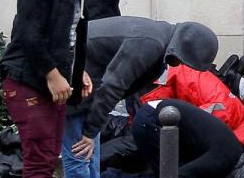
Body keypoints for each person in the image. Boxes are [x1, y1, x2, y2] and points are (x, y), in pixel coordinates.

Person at [0, 0, 112, 178]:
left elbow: (63, 39)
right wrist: (53, 75)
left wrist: (75, 70)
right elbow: (28, 35)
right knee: (39, 161)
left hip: (47, 84)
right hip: (29, 83)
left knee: (48, 157)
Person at [63, 17, 218, 178]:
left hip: (85, 83)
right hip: (75, 78)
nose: (182, 65)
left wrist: (92, 131)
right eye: (185, 62)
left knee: (89, 156)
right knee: (80, 155)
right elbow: (112, 88)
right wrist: (89, 132)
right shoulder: (150, 44)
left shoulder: (160, 40)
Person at [130, 99, 244, 178]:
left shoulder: (233, 150)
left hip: (161, 112)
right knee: (169, 173)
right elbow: (175, 175)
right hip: (152, 122)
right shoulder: (221, 161)